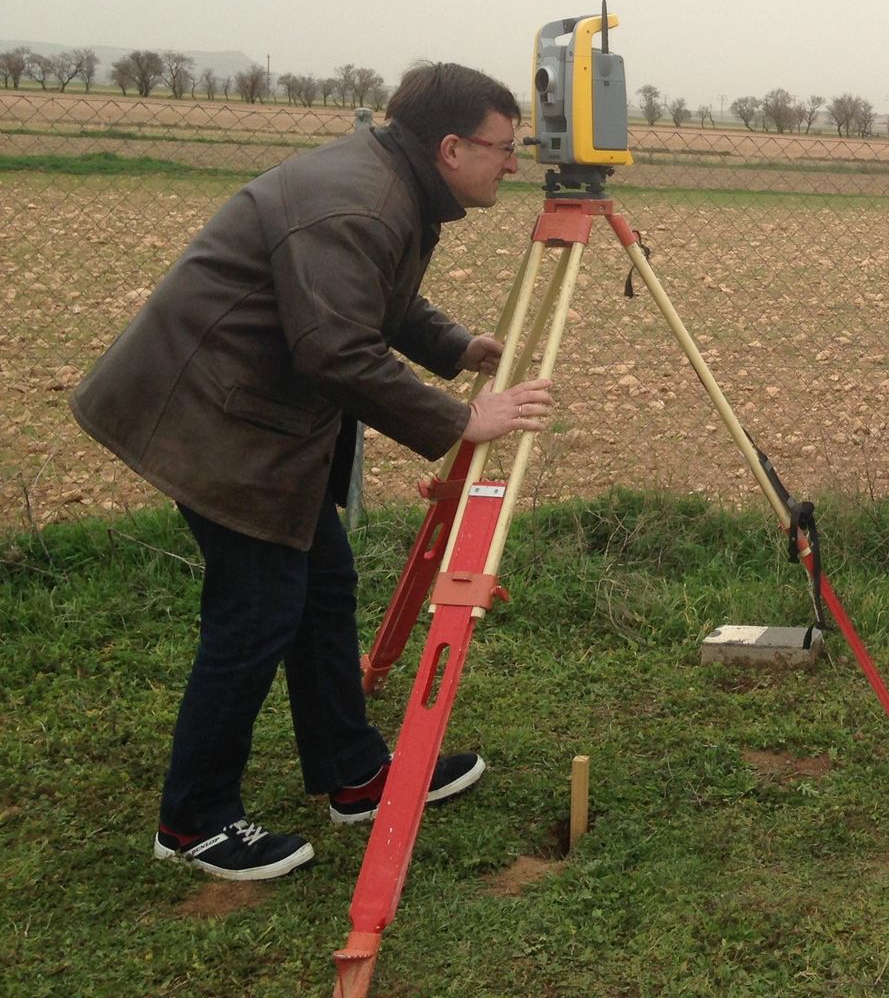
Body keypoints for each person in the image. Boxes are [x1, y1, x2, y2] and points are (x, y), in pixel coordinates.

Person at [70, 61, 556, 881]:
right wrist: (463, 419)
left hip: (252, 414)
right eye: (503, 148)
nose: (514, 164)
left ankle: (353, 772)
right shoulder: (362, 200)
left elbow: (368, 300)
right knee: (257, 613)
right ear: (448, 148)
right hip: (215, 416)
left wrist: (455, 347)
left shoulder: (390, 184)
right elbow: (334, 344)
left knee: (321, 589)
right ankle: (194, 821)